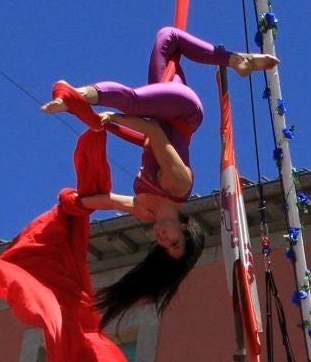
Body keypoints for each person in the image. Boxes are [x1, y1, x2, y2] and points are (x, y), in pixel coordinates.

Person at [42, 27, 277, 322]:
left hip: (159, 112)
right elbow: (153, 132)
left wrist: (71, 204)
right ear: (185, 228)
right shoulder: (178, 185)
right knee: (132, 101)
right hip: (182, 110)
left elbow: (107, 201)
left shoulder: (145, 210)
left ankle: (237, 60)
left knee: (168, 38)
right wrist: (115, 118)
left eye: (163, 246)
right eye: (174, 242)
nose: (163, 239)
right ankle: (74, 97)